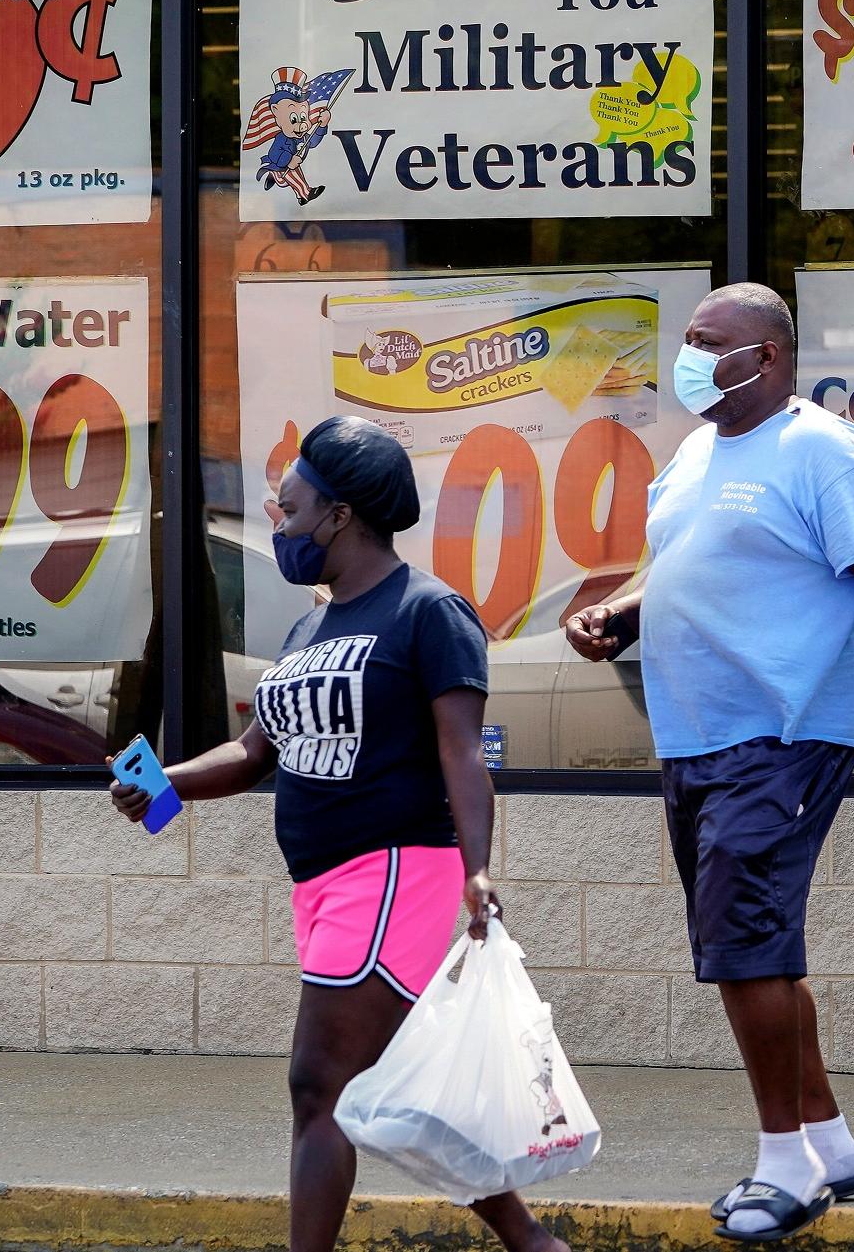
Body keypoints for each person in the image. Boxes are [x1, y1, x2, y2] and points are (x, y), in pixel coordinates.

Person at [111, 416, 566, 1252]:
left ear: (340, 514)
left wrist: (479, 868)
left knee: (316, 1082)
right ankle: (531, 1242)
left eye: (290, 509)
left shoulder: (429, 612)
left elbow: (462, 752)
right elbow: (254, 753)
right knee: (401, 1086)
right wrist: (163, 783)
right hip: (322, 885)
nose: (279, 525)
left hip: (396, 870)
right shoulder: (307, 629)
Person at [565, 283, 854, 1243]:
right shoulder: (695, 453)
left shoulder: (825, 451)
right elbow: (681, 562)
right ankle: (830, 1142)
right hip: (696, 733)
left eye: (705, 340)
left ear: (765, 356)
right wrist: (618, 613)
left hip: (785, 727)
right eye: (686, 337)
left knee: (743, 943)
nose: (687, 355)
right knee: (753, 941)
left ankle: (785, 1166)